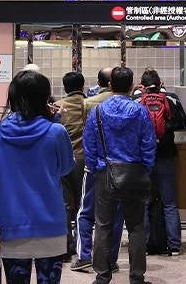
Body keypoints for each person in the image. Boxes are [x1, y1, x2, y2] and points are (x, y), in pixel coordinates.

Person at [0, 70, 74, 284]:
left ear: (13, 98)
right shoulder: (56, 132)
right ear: (45, 98)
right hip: (52, 225)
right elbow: (65, 168)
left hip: (13, 226)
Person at [83, 66, 156, 284]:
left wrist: (96, 168)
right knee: (136, 226)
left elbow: (90, 145)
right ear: (132, 86)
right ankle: (136, 277)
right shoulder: (140, 111)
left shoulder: (97, 111)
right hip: (134, 173)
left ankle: (102, 276)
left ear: (110, 85)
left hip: (106, 172)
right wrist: (146, 170)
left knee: (103, 225)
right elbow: (149, 144)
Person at [73, 67, 125, 273]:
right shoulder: (134, 107)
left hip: (96, 166)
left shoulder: (90, 104)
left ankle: (84, 256)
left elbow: (89, 137)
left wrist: (91, 165)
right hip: (122, 169)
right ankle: (109, 260)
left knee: (86, 212)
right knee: (116, 216)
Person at [135, 69, 186, 256]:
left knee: (145, 202)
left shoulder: (137, 101)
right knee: (170, 203)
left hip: (144, 158)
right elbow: (182, 123)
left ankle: (145, 245)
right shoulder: (171, 98)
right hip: (165, 155)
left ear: (142, 84)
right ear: (161, 82)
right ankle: (174, 246)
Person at [55, 71, 87, 258]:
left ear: (65, 87)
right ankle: (83, 247)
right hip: (84, 159)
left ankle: (66, 247)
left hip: (63, 160)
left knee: (65, 204)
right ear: (82, 86)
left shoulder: (58, 106)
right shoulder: (89, 104)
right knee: (83, 205)